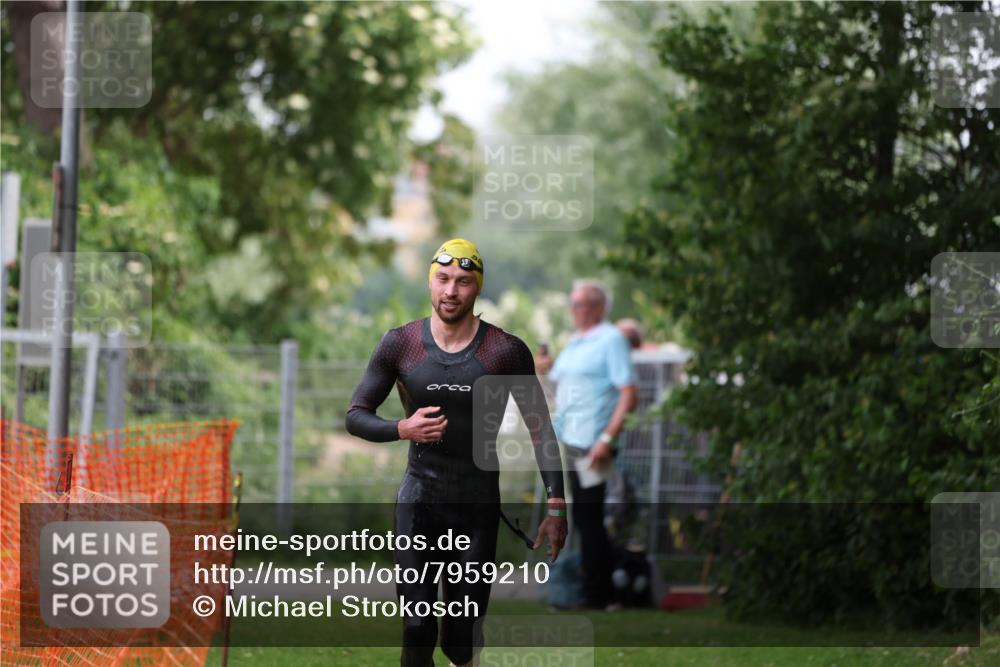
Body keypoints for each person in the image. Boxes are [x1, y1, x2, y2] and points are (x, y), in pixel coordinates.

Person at [345, 238, 568, 667]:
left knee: (462, 637)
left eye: (463, 282)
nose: (451, 291)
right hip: (419, 501)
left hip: (476, 504)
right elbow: (356, 415)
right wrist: (402, 428)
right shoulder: (400, 344)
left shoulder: (505, 351)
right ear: (431, 281)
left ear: (477, 288)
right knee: (416, 627)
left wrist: (556, 505)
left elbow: (540, 428)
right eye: (443, 279)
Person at [535, 279, 638, 610]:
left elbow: (629, 393)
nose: (574, 311)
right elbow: (557, 390)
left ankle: (600, 594)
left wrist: (607, 438)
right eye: (573, 304)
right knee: (585, 516)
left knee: (590, 517)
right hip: (574, 442)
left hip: (594, 445)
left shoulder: (611, 340)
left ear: (597, 307)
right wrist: (545, 371)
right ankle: (596, 589)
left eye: (580, 304)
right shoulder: (577, 342)